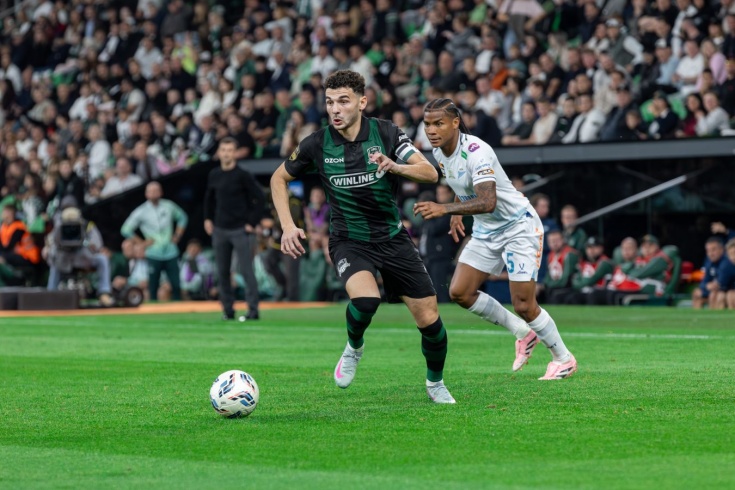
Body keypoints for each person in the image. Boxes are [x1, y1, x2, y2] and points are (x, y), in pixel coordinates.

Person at [270, 70, 456, 403]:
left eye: (343, 101)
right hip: (349, 240)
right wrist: (288, 225)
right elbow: (278, 178)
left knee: (430, 321)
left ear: (362, 102)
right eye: (329, 102)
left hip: (393, 239)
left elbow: (430, 172)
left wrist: (395, 166)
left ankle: (435, 383)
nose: (335, 109)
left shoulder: (386, 132)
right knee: (366, 300)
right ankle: (354, 347)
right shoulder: (317, 143)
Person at [414, 97, 578, 380]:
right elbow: (463, 183)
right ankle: (523, 333)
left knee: (524, 304)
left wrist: (445, 209)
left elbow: (488, 201)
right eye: (427, 124)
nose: (431, 130)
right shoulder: (439, 152)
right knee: (460, 292)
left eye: (438, 123)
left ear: (455, 123)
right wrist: (456, 210)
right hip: (487, 230)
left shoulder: (477, 151)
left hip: (518, 226)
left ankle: (564, 359)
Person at [204, 137, 264, 321]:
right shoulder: (214, 174)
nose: (226, 154)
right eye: (223, 150)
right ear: (219, 153)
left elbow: (260, 198)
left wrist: (252, 222)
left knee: (246, 271)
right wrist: (207, 219)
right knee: (222, 272)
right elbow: (208, 199)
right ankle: (228, 310)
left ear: (235, 153)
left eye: (230, 150)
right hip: (220, 229)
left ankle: (253, 310)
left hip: (240, 229)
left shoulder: (243, 175)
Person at [121, 181, 187, 301]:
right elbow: (125, 230)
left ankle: (179, 307)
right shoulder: (141, 211)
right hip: (153, 253)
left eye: (156, 190)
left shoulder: (169, 206)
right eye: (150, 191)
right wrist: (141, 242)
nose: (153, 193)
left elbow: (183, 217)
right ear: (146, 194)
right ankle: (152, 308)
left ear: (161, 192)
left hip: (171, 251)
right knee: (153, 286)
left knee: (176, 285)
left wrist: (177, 235)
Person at [45, 196, 114, 306]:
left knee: (102, 259)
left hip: (82, 258)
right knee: (54, 260)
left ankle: (104, 292)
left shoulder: (86, 225)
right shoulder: (59, 226)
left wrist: (87, 242)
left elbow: (97, 244)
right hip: (64, 259)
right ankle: (50, 295)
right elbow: (52, 242)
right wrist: (50, 247)